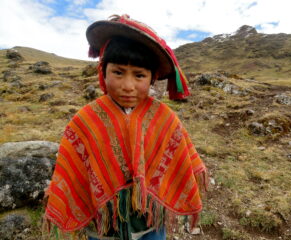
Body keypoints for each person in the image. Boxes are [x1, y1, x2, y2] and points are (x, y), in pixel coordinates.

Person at [43, 14, 208, 240]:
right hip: (103, 226)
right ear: (103, 72)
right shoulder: (86, 119)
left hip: (151, 223)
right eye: (118, 72)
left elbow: (181, 160)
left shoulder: (164, 118)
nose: (128, 86)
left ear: (152, 79)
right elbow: (73, 170)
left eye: (139, 75)